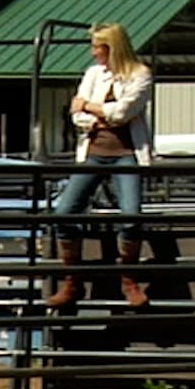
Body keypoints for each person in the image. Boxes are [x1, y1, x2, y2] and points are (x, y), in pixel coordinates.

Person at [47, 21, 155, 308]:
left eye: (98, 47)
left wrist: (89, 108)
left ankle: (128, 279)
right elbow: (76, 115)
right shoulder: (94, 73)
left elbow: (122, 112)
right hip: (92, 151)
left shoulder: (140, 74)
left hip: (127, 153)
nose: (94, 53)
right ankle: (72, 281)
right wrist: (98, 114)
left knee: (131, 215)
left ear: (113, 48)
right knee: (64, 212)